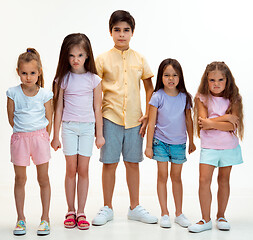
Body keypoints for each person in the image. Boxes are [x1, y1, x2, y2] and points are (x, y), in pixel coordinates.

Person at [92, 10, 158, 226]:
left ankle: (134, 207)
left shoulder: (139, 59)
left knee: (133, 163)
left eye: (126, 30)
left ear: (132, 32)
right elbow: (95, 91)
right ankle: (107, 207)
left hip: (134, 121)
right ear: (110, 32)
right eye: (117, 30)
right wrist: (97, 122)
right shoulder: (101, 60)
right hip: (110, 118)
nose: (122, 34)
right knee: (109, 163)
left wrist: (148, 114)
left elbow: (150, 89)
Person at [51, 33, 105, 230]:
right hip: (69, 127)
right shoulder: (63, 79)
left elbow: (98, 108)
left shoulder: (94, 80)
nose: (76, 60)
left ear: (87, 56)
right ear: (66, 56)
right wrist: (55, 136)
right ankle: (70, 210)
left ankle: (81, 211)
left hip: (88, 128)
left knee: (83, 169)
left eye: (80, 55)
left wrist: (99, 134)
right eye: (72, 55)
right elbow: (58, 108)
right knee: (70, 168)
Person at [188, 61, 244, 233]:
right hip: (210, 147)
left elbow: (232, 126)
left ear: (227, 80)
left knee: (223, 180)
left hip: (229, 147)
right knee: (204, 180)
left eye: (220, 80)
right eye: (212, 80)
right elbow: (203, 124)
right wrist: (225, 118)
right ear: (206, 80)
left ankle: (221, 216)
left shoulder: (234, 98)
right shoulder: (201, 97)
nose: (216, 84)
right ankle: (205, 219)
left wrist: (212, 122)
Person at [6, 48, 53, 236]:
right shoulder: (12, 93)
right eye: (24, 73)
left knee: (43, 179)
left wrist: (42, 137)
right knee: (20, 179)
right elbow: (11, 119)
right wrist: (23, 133)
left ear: (39, 72)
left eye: (32, 73)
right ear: (18, 72)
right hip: (20, 140)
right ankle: (20, 218)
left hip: (40, 139)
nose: (28, 77)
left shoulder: (45, 94)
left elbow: (49, 118)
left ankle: (45, 218)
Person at [145, 59, 196, 228]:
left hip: (179, 144)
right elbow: (151, 123)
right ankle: (164, 212)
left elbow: (189, 121)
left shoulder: (185, 98)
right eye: (167, 75)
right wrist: (148, 146)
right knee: (162, 176)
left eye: (174, 75)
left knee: (176, 177)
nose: (171, 78)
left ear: (180, 77)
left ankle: (179, 213)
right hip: (160, 142)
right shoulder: (157, 96)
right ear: (161, 77)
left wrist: (191, 141)